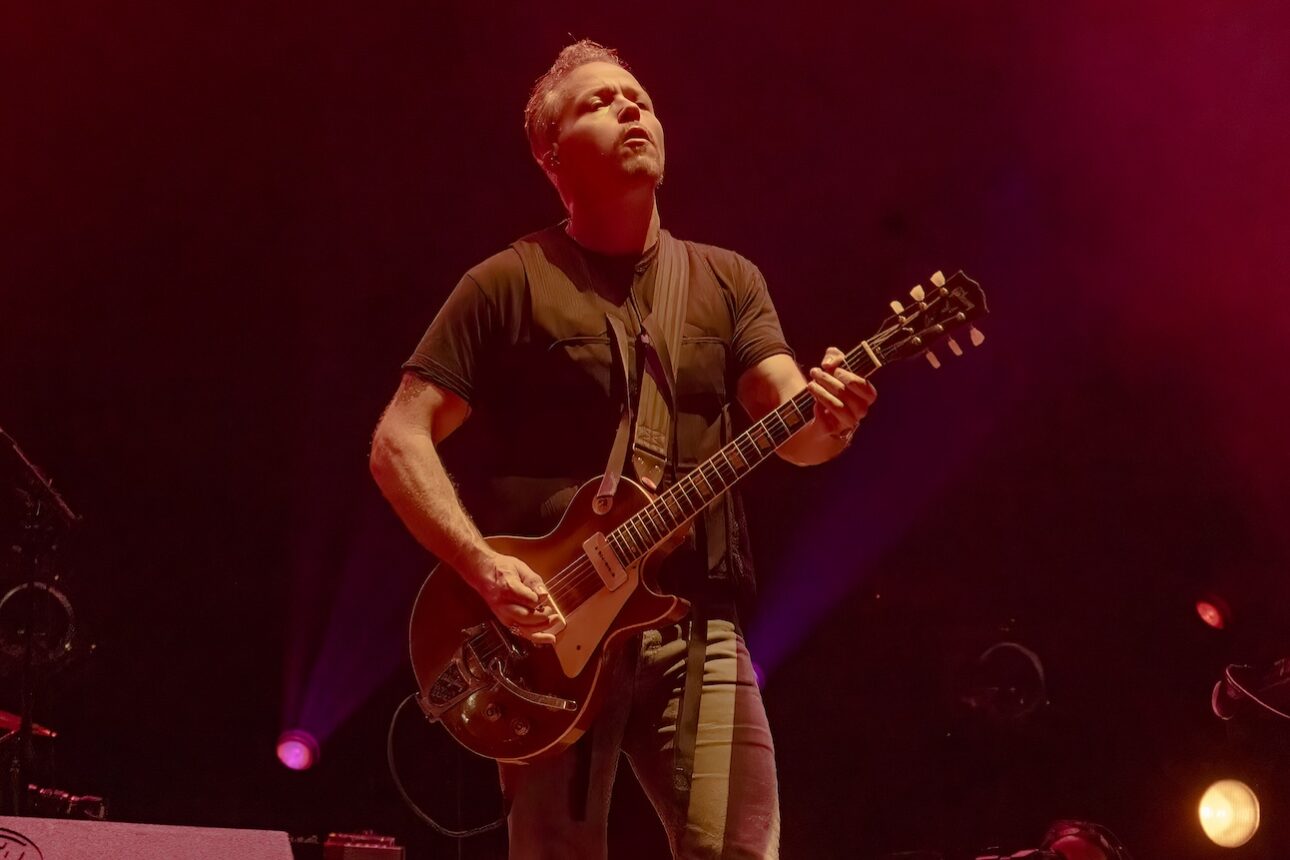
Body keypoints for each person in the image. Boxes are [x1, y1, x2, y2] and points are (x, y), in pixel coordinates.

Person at [370, 39, 876, 860]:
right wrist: (483, 567)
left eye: (638, 96)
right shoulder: (508, 281)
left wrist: (834, 417)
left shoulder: (727, 280)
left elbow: (796, 429)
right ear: (549, 154)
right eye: (599, 102)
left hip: (696, 626)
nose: (631, 108)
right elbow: (399, 440)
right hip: (543, 643)